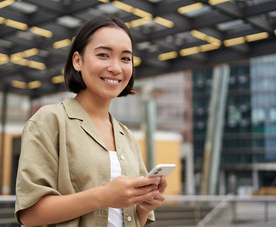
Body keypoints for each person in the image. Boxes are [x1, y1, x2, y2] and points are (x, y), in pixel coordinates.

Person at [15, 15, 168, 227]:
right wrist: (103, 196)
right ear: (77, 60)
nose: (116, 68)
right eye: (104, 55)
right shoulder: (50, 121)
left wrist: (142, 207)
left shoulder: (127, 137)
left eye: (125, 58)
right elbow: (30, 214)